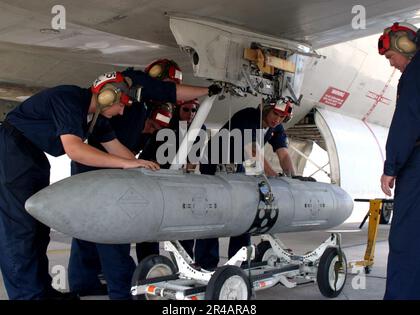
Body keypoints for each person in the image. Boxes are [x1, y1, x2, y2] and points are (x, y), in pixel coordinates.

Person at [68, 59, 221, 299]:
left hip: (98, 168)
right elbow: (113, 143)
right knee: (112, 233)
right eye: (168, 86)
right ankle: (122, 292)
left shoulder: (142, 104)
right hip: (104, 169)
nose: (171, 96)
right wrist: (208, 90)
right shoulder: (134, 91)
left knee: (88, 230)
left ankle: (84, 285)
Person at [0, 71, 157, 300]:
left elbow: (114, 148)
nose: (123, 111)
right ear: (107, 97)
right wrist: (125, 164)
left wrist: (143, 167)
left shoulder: (96, 119)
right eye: (122, 104)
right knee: (20, 230)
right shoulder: (69, 98)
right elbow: (75, 150)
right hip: (12, 150)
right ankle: (28, 296)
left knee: (38, 229)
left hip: (31, 155)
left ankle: (42, 292)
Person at [195, 98, 295, 270]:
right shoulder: (248, 117)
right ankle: (206, 264)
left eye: (282, 117)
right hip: (213, 162)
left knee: (245, 211)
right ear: (266, 109)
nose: (277, 120)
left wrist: (292, 178)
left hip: (236, 165)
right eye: (275, 114)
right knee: (213, 210)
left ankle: (238, 262)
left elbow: (284, 154)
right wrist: (273, 175)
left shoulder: (275, 127)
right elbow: (253, 151)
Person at [378, 22, 420, 300]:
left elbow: (407, 120)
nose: (393, 65)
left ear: (405, 45)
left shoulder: (415, 73)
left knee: (406, 239)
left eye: (392, 57)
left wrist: (390, 167)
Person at [137, 99, 205, 262]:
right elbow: (147, 156)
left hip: (180, 184)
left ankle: (185, 264)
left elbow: (192, 162)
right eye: (186, 110)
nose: (190, 114)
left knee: (185, 228)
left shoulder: (198, 129)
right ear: (177, 111)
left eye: (194, 111)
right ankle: (150, 264)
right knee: (150, 227)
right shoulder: (165, 126)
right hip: (156, 180)